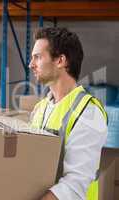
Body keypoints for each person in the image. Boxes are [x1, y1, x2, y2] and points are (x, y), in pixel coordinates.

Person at [29, 27, 108, 200]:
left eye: (38, 57)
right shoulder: (40, 108)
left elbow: (74, 185)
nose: (31, 64)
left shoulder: (88, 112)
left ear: (60, 61)